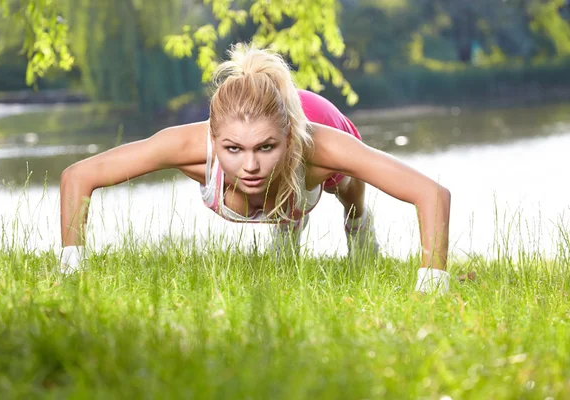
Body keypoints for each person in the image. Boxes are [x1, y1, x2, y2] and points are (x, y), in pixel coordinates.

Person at [59, 43, 451, 293]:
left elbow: (432, 194)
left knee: (347, 187)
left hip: (317, 119)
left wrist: (432, 285)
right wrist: (71, 270)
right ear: (213, 141)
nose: (249, 166)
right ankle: (288, 225)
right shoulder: (187, 147)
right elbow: (78, 177)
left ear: (288, 138)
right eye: (233, 149)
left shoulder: (319, 145)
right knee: (282, 209)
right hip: (259, 130)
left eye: (266, 148)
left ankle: (357, 227)